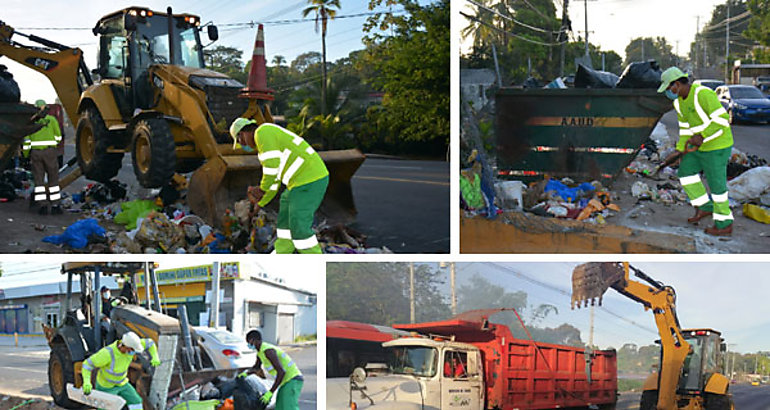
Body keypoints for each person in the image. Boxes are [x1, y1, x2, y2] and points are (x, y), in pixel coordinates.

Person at [229, 119, 329, 253]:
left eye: (240, 141)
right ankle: (281, 256)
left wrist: (261, 189)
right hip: (298, 183)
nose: (243, 146)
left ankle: (317, 266)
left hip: (309, 179)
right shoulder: (264, 143)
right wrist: (260, 204)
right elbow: (274, 182)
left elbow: (271, 169)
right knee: (284, 227)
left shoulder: (262, 132)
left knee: (299, 229)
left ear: (242, 133)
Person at [658, 67, 734, 236]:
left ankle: (724, 224)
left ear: (677, 84)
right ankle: (705, 207)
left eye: (669, 88)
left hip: (717, 146)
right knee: (685, 173)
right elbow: (685, 129)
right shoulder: (678, 102)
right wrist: (679, 151)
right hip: (698, 147)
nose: (669, 92)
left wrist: (702, 136)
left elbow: (722, 121)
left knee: (717, 186)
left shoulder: (703, 94)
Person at [80, 332, 160, 410]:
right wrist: (87, 382)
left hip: (122, 383)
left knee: (136, 401)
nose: (133, 352)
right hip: (106, 387)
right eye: (132, 350)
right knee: (107, 407)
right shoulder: (107, 354)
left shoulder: (133, 345)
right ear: (126, 346)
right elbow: (87, 364)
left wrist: (155, 356)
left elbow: (150, 343)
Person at [240, 329, 303, 410]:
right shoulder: (260, 352)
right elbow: (256, 367)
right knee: (280, 407)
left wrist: (270, 392)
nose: (249, 345)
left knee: (288, 407)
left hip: (293, 380)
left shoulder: (268, 351)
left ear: (254, 340)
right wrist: (245, 374)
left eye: (249, 342)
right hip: (285, 382)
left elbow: (281, 372)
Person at [22, 100, 62, 215]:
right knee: (53, 178)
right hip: (50, 152)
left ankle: (43, 206)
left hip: (36, 153)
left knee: (39, 180)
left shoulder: (31, 122)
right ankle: (55, 205)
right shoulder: (52, 120)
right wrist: (54, 145)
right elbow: (58, 137)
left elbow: (27, 141)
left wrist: (25, 155)